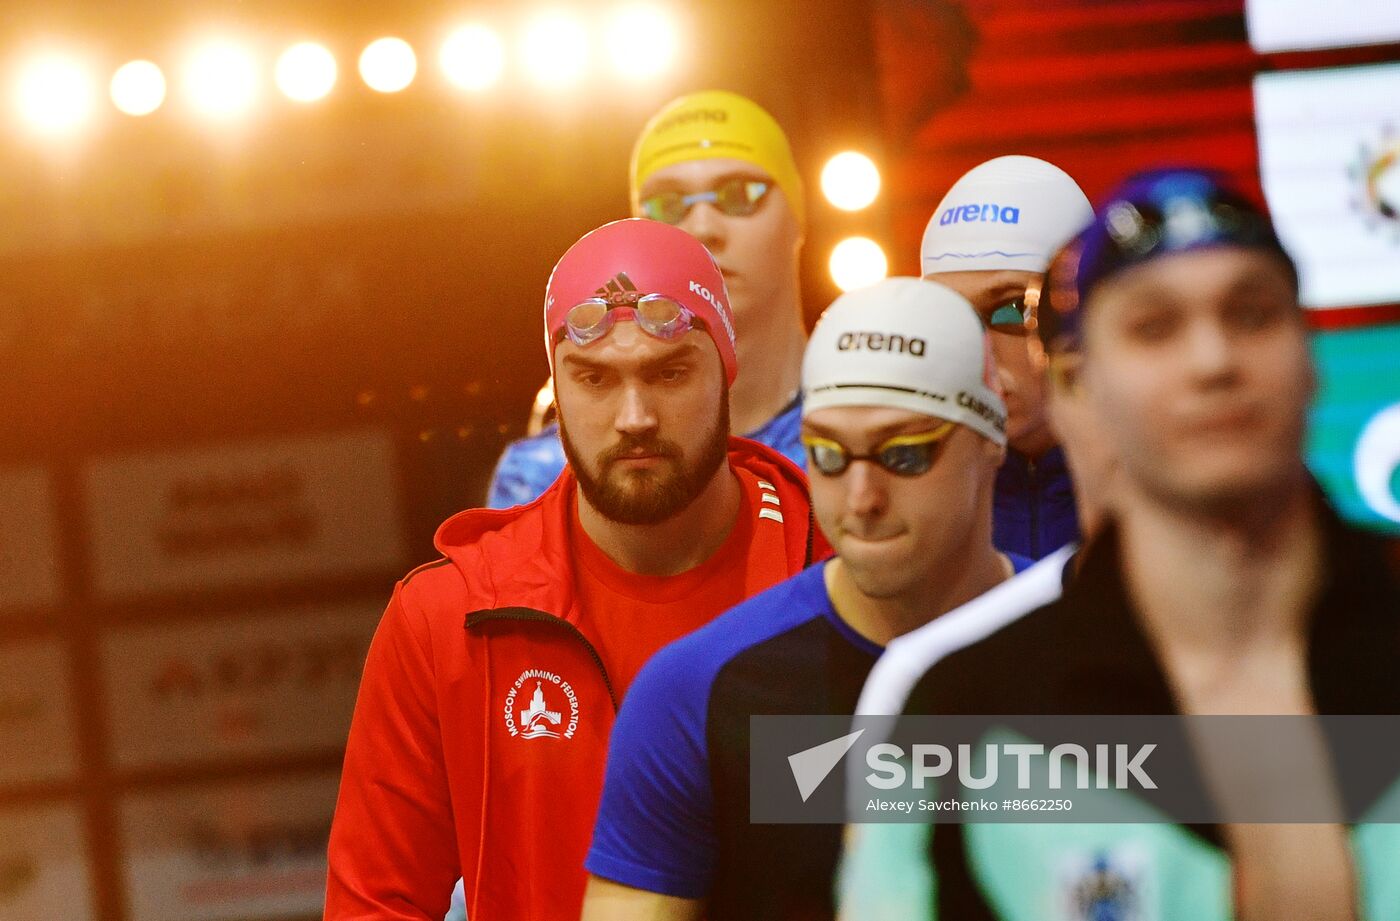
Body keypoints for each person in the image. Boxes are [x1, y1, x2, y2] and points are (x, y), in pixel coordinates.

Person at [837, 168, 1400, 920]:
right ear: (1079, 386)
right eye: (1154, 327)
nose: (1213, 361)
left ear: (1310, 351)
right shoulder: (957, 719)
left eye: (1252, 313)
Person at [325, 219, 825, 921]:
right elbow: (375, 907)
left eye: (670, 371)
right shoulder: (452, 618)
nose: (634, 416)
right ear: (556, 384)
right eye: (594, 378)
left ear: (727, 368)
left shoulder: (833, 575)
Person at [579, 277, 1033, 921]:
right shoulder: (698, 694)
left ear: (992, 439)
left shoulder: (1114, 651)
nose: (862, 498)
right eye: (829, 454)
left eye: (904, 455)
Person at [487, 90, 810, 508]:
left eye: (739, 194)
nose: (703, 227)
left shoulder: (869, 436)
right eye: (668, 204)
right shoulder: (544, 475)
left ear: (801, 212)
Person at [921, 155, 1094, 559]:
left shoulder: (1171, 491)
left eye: (1012, 310)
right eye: (947, 314)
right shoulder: (900, 503)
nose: (976, 348)